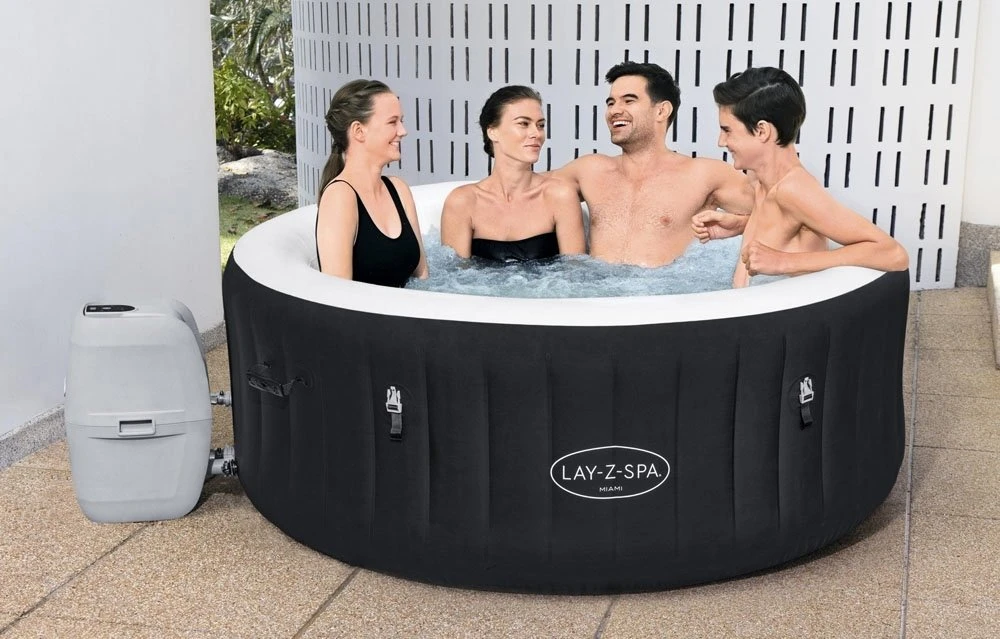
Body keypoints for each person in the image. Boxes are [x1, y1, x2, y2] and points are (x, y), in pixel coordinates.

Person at [692, 67, 909, 287]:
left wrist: (784, 262)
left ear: (762, 131)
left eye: (727, 130)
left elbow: (893, 254)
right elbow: (789, 225)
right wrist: (740, 225)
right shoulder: (759, 179)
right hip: (751, 305)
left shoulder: (794, 189)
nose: (721, 141)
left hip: (791, 310)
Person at [550, 61, 753, 267]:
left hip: (663, 285)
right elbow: (532, 188)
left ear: (662, 111)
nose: (614, 111)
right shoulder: (589, 170)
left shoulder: (703, 174)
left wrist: (741, 224)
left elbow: (771, 207)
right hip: (595, 284)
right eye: (611, 103)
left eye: (629, 101)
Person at [440, 85, 586, 263]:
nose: (536, 133)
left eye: (540, 125)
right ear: (492, 131)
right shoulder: (463, 202)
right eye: (523, 123)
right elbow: (455, 276)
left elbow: (575, 272)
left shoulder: (559, 196)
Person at [315, 79, 428, 287]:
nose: (403, 131)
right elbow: (337, 295)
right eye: (392, 122)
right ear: (359, 131)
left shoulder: (398, 189)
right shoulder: (340, 197)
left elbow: (423, 278)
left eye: (401, 121)